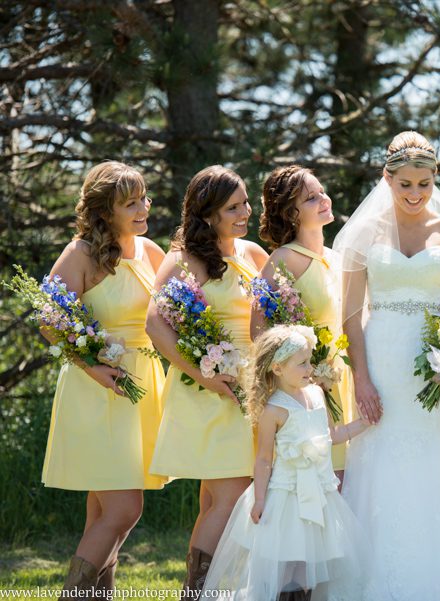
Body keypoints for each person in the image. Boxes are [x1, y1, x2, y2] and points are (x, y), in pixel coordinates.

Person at [334, 131, 440, 600]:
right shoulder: (365, 232)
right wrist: (361, 378)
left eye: (424, 184)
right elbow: (350, 315)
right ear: (387, 179)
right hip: (381, 358)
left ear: (435, 179)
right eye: (405, 184)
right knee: (378, 451)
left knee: (435, 453)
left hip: (435, 365)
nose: (414, 194)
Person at [43, 161, 167, 596]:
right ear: (103, 210)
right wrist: (94, 367)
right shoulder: (81, 253)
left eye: (144, 199)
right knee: (123, 510)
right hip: (97, 390)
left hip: (141, 387)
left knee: (103, 514)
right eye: (130, 203)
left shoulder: (150, 251)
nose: (142, 208)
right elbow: (50, 320)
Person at [146, 165, 268, 595]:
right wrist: (205, 375)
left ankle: (205, 590)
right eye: (233, 207)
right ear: (207, 213)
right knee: (230, 495)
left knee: (220, 498)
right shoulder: (185, 259)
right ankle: (198, 590)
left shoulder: (252, 254)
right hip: (211, 390)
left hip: (251, 387)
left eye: (246, 203)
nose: (245, 212)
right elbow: (155, 325)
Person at [202, 325, 371, 601]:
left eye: (309, 361)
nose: (309, 368)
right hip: (286, 497)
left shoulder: (317, 394)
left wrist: (364, 423)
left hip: (317, 495)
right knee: (285, 564)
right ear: (278, 368)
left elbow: (332, 435)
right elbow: (263, 459)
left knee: (308, 564)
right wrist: (259, 499)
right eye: (302, 363)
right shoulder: (273, 409)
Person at [252, 165, 351, 483]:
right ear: (291, 214)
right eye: (311, 198)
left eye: (322, 192)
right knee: (326, 480)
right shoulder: (282, 260)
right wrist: (301, 376)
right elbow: (260, 332)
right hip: (307, 386)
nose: (324, 200)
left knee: (350, 480)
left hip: (343, 378)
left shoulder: (336, 258)